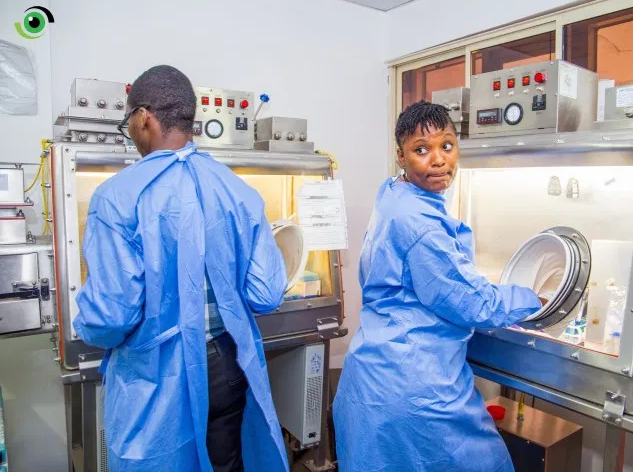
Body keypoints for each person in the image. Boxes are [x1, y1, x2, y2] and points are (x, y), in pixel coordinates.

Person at [73, 65, 289, 472]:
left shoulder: (116, 196)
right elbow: (266, 293)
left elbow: (111, 318)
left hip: (156, 376)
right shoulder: (236, 188)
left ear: (143, 117)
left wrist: (83, 321)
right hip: (226, 365)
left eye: (129, 121)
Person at [333, 101, 542, 472]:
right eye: (421, 150)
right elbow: (473, 303)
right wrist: (534, 299)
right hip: (413, 387)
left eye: (446, 145)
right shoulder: (421, 224)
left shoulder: (394, 193)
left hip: (373, 376)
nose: (438, 160)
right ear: (400, 156)